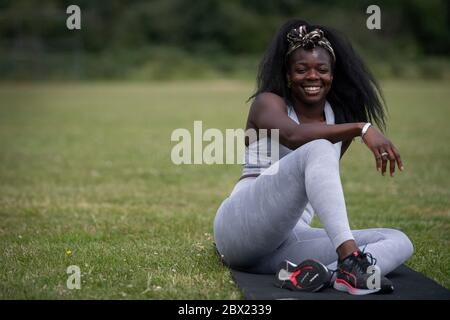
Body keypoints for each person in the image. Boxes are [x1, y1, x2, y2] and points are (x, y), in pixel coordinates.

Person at [213, 19, 414, 295]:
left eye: (322, 69)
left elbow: (320, 180)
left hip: (287, 242)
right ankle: (350, 260)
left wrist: (355, 126)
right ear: (287, 74)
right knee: (318, 146)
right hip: (241, 228)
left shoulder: (337, 116)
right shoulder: (268, 103)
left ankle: (328, 274)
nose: (312, 76)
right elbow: (295, 135)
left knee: (399, 240)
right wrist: (362, 128)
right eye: (301, 69)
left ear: (333, 74)